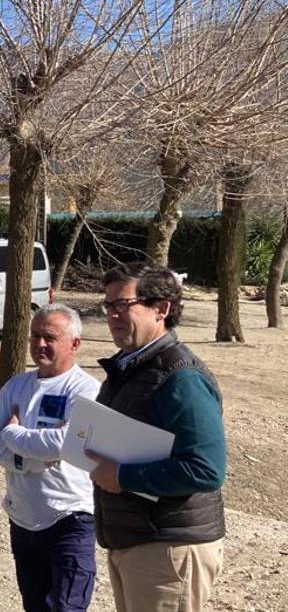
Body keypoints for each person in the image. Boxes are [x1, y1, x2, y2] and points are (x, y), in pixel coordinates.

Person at [87, 262, 226, 612]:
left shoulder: (181, 378)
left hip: (168, 547)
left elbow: (206, 469)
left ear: (161, 309)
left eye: (123, 304)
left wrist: (123, 477)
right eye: (108, 305)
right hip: (136, 541)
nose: (113, 315)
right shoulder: (130, 367)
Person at [0, 304, 100, 612]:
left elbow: (62, 443)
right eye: (34, 336)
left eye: (49, 337)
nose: (39, 344)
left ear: (74, 344)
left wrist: (14, 435)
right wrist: (30, 460)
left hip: (70, 519)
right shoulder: (17, 385)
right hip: (23, 520)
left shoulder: (87, 390)